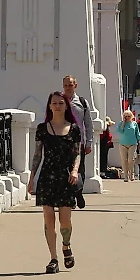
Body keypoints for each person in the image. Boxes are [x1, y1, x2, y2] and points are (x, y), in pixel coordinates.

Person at [26, 91, 82, 273]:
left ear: (66, 106)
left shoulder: (73, 129)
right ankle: (53, 259)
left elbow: (77, 153)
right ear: (49, 106)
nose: (57, 106)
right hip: (47, 177)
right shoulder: (43, 129)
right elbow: (37, 155)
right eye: (54, 103)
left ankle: (66, 246)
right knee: (48, 218)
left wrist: (74, 170)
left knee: (65, 221)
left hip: (66, 177)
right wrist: (32, 176)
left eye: (60, 103)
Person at [61, 76, 94, 207]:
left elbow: (89, 124)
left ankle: (78, 192)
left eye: (70, 85)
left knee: (79, 170)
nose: (68, 88)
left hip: (78, 143)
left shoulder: (82, 102)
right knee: (65, 171)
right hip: (62, 142)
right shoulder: (59, 102)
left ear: (75, 85)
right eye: (65, 85)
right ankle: (70, 196)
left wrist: (89, 143)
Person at [114, 110, 140, 182]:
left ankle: (132, 174)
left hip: (132, 143)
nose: (127, 117)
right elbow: (120, 131)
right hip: (123, 144)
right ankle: (126, 176)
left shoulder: (134, 124)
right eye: (126, 116)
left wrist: (139, 141)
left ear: (131, 116)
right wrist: (123, 123)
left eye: (128, 116)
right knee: (124, 160)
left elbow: (137, 133)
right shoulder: (121, 124)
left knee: (130, 160)